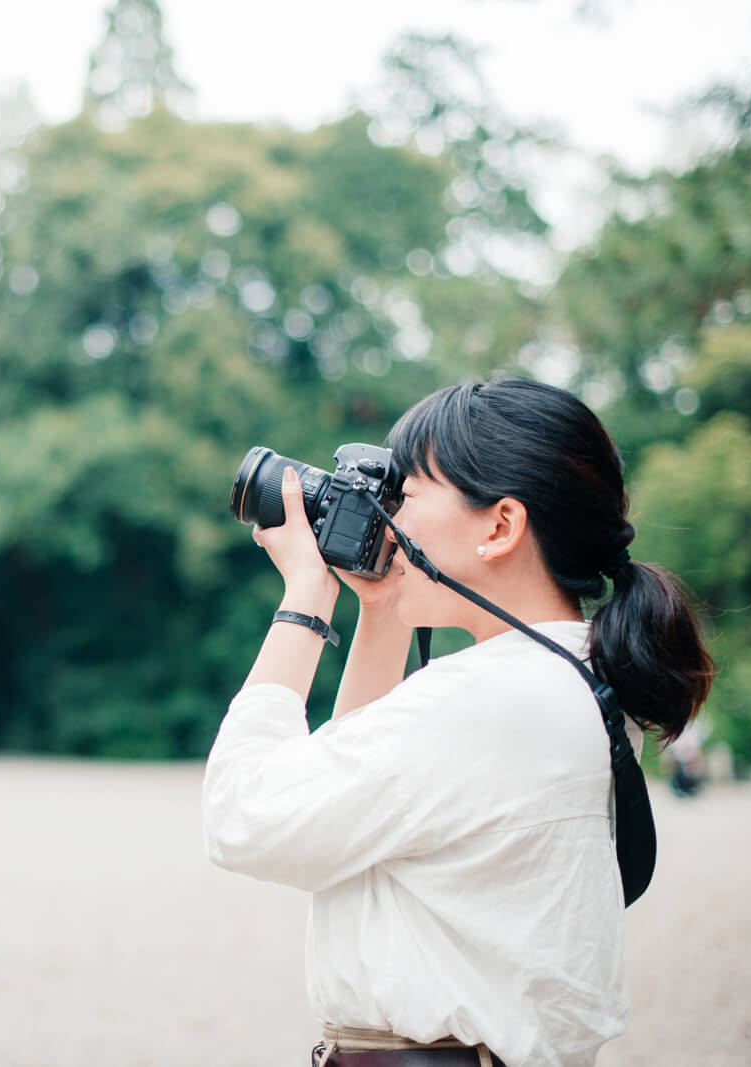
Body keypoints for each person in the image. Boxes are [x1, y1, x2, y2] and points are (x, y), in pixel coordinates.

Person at [202, 376, 713, 1067]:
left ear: (500, 526)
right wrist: (379, 613)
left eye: (406, 494)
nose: (389, 517)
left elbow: (247, 816)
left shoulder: (492, 698)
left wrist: (304, 600)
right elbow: (339, 818)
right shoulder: (572, 679)